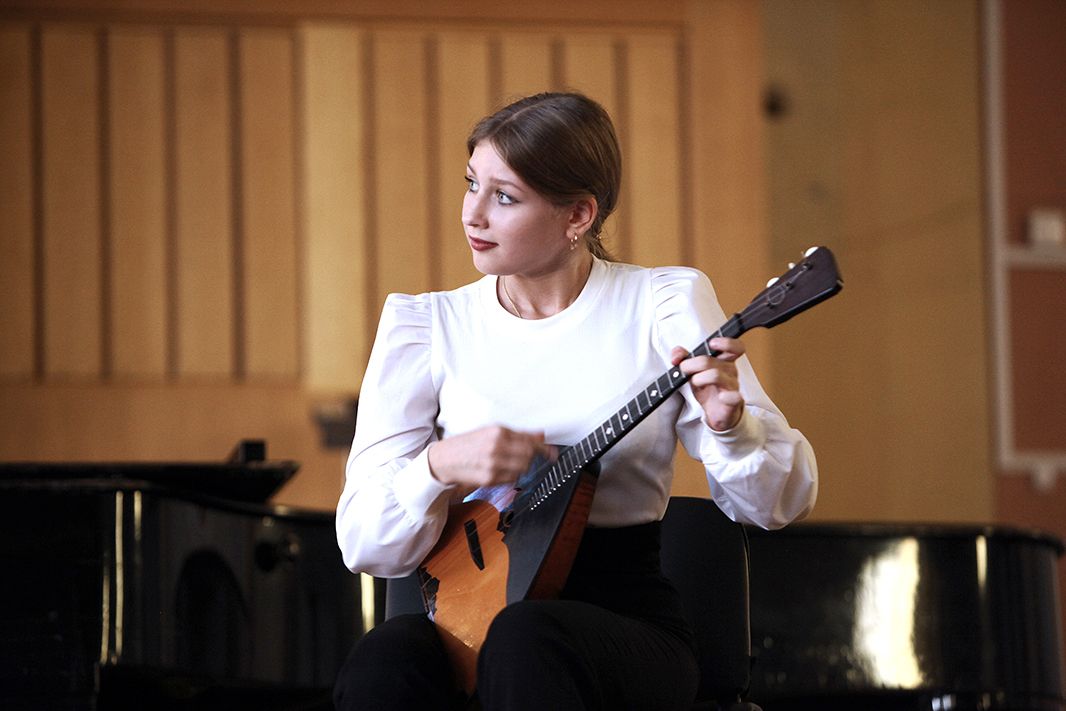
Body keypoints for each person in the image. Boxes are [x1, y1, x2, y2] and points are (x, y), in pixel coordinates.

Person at [333, 91, 817, 710]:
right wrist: (439, 465)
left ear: (578, 215)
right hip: (463, 607)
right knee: (383, 661)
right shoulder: (425, 325)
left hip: (622, 618)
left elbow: (778, 507)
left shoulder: (663, 303)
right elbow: (363, 545)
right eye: (472, 183)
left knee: (526, 640)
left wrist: (733, 429)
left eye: (504, 197)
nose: (472, 214)